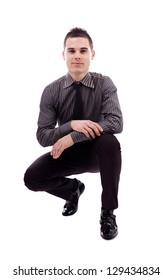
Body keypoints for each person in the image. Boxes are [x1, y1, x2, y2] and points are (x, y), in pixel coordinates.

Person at [24, 27, 123, 240]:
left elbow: (116, 122)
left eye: (83, 50)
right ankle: (72, 190)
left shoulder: (104, 83)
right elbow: (43, 136)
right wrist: (71, 125)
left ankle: (108, 214)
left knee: (110, 142)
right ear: (63, 55)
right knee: (32, 178)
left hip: (98, 154)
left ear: (92, 54)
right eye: (71, 51)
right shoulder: (52, 91)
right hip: (67, 154)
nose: (77, 55)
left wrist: (73, 136)